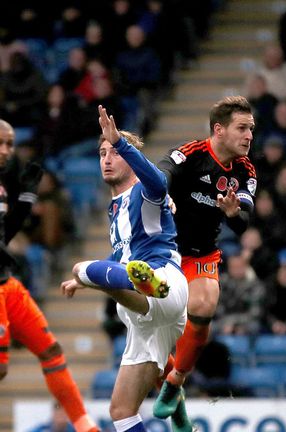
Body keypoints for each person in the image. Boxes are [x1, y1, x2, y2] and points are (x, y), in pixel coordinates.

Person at [59, 107, 188, 431]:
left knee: (83, 267)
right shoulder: (116, 208)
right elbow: (119, 255)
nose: (106, 158)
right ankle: (180, 412)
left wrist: (122, 142)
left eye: (114, 152)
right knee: (121, 412)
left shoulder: (144, 192)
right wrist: (85, 283)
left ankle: (143, 282)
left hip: (166, 282)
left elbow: (158, 183)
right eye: (102, 152)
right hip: (148, 322)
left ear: (130, 159)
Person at [154, 96, 257, 419]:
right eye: (242, 128)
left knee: (205, 304)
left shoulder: (245, 170)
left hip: (201, 253)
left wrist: (232, 213)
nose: (249, 136)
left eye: (251, 129)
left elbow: (242, 225)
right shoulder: (191, 154)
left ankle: (176, 380)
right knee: (151, 327)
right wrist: (163, 194)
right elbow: (162, 172)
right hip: (163, 249)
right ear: (219, 130)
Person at [0, 120, 97, 432]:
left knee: (51, 350)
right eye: (1, 143)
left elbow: (5, 233)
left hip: (7, 283)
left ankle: (84, 426)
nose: (6, 151)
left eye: (10, 144)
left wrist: (27, 197)